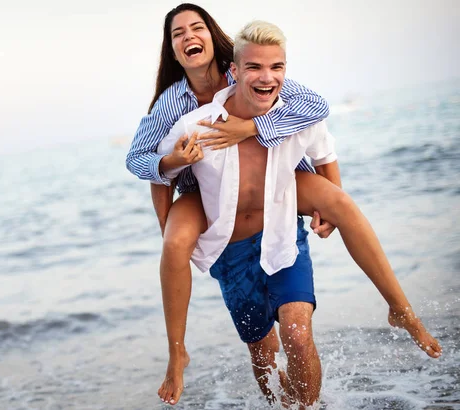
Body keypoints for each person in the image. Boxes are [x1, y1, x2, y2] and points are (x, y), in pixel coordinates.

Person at [125, 4, 441, 406]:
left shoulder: (264, 77)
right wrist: (172, 194)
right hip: (218, 220)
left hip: (278, 213)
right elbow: (145, 162)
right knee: (262, 351)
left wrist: (252, 126)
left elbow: (317, 117)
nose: (189, 36)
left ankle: (399, 309)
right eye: (178, 33)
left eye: (197, 27)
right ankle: (180, 355)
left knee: (297, 330)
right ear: (172, 50)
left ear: (214, 38)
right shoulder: (181, 114)